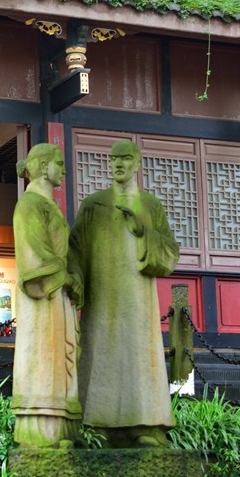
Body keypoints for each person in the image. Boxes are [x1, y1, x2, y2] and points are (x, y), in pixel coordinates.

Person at [69, 139, 180, 447]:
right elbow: (75, 248)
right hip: (101, 295)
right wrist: (75, 277)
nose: (118, 163)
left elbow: (171, 251)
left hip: (139, 299)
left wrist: (144, 232)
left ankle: (147, 425)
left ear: (137, 164)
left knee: (140, 356)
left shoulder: (150, 206)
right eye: (114, 158)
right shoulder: (93, 205)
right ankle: (99, 426)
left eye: (126, 158)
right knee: (101, 353)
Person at [11, 143, 83, 448]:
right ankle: (42, 433)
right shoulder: (29, 205)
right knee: (41, 357)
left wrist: (74, 278)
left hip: (57, 294)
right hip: (42, 296)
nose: (63, 170)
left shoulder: (48, 205)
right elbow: (34, 254)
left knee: (56, 358)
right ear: (42, 166)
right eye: (59, 163)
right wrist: (63, 276)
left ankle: (62, 430)